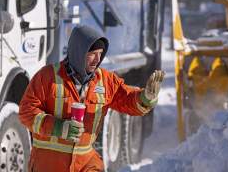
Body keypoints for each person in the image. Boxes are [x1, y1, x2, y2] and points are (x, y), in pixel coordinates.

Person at [19, 25, 165, 172]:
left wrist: (146, 97)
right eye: (92, 53)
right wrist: (58, 127)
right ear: (78, 53)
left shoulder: (106, 81)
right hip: (48, 165)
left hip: (86, 164)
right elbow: (26, 113)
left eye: (100, 53)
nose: (98, 59)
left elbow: (127, 99)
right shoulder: (47, 77)